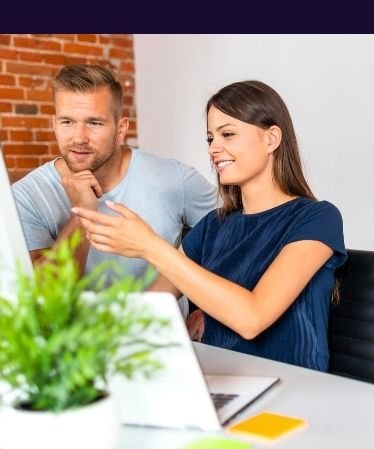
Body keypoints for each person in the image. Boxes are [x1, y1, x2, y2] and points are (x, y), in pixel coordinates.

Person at [72, 80, 346, 371]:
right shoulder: (213, 226)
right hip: (225, 383)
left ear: (271, 139)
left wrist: (150, 247)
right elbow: (148, 310)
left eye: (228, 134)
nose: (214, 149)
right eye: (210, 139)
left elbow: (252, 318)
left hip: (296, 390)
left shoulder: (317, 218)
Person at [12, 64, 217, 279]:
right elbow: (42, 299)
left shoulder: (175, 179)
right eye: (67, 122)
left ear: (120, 130)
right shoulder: (26, 196)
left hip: (158, 312)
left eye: (94, 123)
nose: (79, 137)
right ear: (54, 125)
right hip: (77, 315)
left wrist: (208, 307)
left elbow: (238, 238)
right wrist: (81, 216)